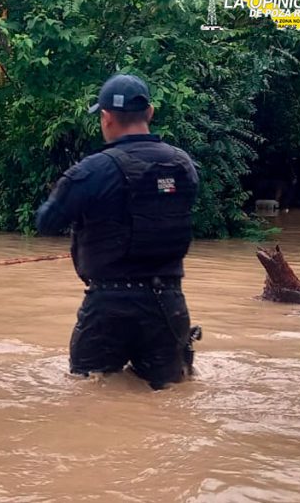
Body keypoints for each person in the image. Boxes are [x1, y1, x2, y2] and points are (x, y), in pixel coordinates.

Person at [35, 74, 201, 390]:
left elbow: (46, 222)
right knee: (170, 399)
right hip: (168, 302)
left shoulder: (92, 170)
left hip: (108, 308)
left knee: (88, 394)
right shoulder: (184, 165)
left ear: (106, 118)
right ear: (150, 113)